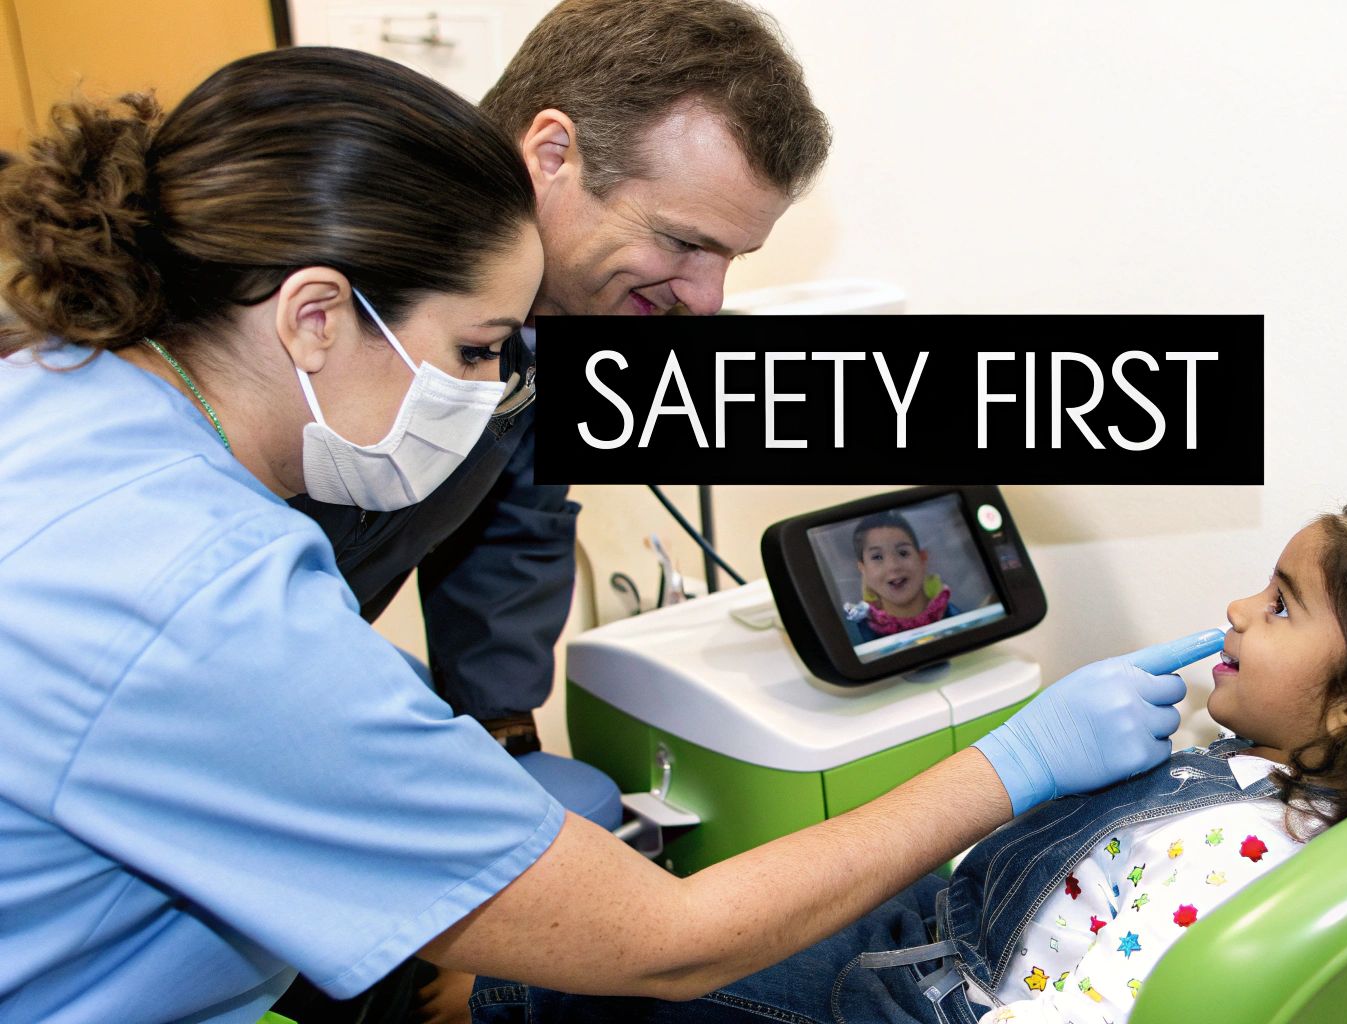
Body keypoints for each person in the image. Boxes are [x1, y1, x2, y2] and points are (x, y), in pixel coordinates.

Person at [0, 48, 1199, 1024]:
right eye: (477, 350)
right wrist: (1013, 764)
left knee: (567, 797)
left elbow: (514, 539)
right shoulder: (205, 600)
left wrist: (490, 741)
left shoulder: (68, 389)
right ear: (315, 317)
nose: (492, 385)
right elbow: (664, 943)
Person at [481, 500, 1347, 1023]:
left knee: (584, 989)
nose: (1235, 609)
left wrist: (1018, 765)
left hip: (927, 994)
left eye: (1281, 604)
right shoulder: (1277, 768)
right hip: (939, 914)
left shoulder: (1232, 865)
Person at [287, 0, 833, 790]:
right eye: (683, 241)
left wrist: (502, 735)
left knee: (578, 800)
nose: (707, 298)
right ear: (552, 154)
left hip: (307, 643)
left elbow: (514, 523)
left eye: (733, 258)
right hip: (206, 669)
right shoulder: (354, 273)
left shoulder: (573, 308)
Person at [846, 512, 966, 644]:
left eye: (903, 553)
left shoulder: (956, 619)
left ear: (922, 559)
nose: (893, 566)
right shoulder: (859, 635)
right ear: (863, 569)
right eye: (877, 557)